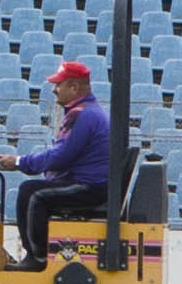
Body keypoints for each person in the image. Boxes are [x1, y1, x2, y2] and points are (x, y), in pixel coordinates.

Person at [7, 59, 117, 260]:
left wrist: (19, 162)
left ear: (74, 87)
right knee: (37, 189)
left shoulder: (82, 115)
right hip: (95, 183)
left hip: (90, 187)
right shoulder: (89, 112)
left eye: (58, 84)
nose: (54, 90)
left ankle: (37, 258)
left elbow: (60, 156)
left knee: (31, 193)